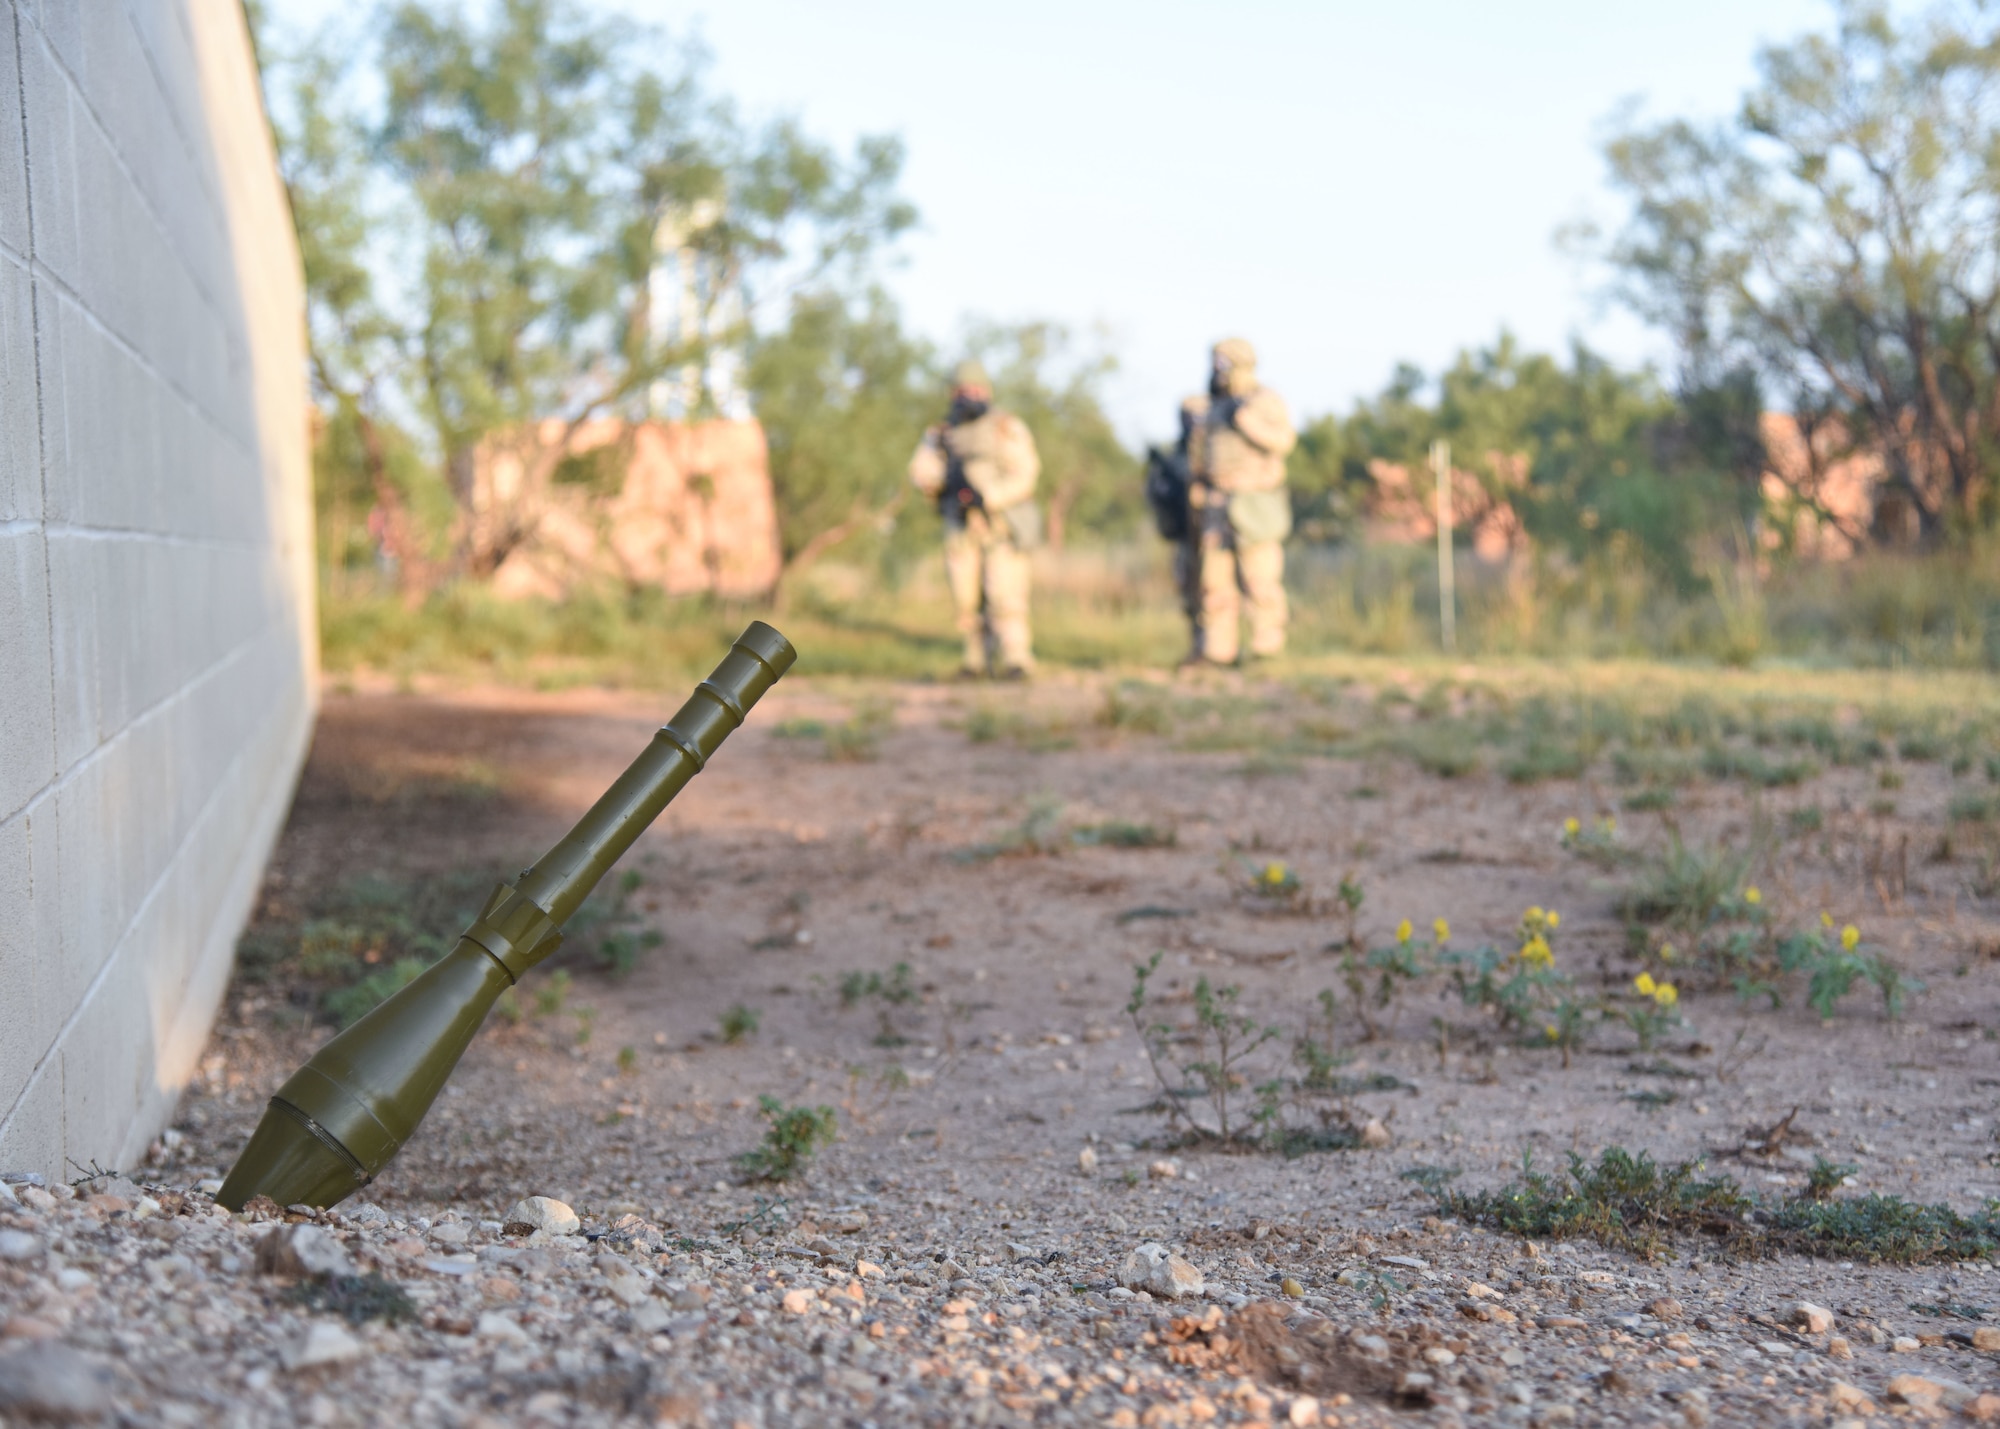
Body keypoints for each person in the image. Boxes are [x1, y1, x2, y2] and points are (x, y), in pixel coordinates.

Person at [908, 360, 1043, 678]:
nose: (969, 396)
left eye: (975, 389)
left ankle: (1016, 660)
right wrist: (941, 480)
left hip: (1000, 522)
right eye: (962, 390)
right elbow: (920, 472)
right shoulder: (941, 433)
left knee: (1004, 594)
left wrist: (990, 496)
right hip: (961, 523)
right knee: (965, 598)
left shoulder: (1006, 427)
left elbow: (1026, 474)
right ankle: (975, 661)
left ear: (987, 391)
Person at [1187, 338, 1296, 666]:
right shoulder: (1215, 405)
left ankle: (1266, 649)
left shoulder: (1262, 401)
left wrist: (1248, 422)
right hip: (1217, 503)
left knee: (1259, 580)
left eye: (1223, 362)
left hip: (1253, 501)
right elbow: (1203, 451)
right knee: (1214, 582)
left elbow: (1284, 441)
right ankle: (1219, 651)